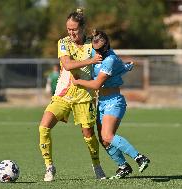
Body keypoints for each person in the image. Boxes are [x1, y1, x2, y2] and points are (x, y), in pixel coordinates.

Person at [38, 8, 106, 182]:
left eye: (74, 29)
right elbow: (67, 65)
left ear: (82, 28)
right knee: (43, 127)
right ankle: (49, 167)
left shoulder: (93, 43)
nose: (71, 32)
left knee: (89, 135)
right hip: (63, 94)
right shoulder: (63, 42)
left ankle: (96, 166)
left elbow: (107, 55)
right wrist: (91, 60)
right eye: (68, 29)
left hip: (85, 96)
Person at [72, 30, 150, 179]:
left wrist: (77, 82)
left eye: (100, 50)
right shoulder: (98, 53)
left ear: (106, 46)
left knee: (107, 135)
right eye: (95, 50)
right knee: (104, 140)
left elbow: (96, 84)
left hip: (114, 102)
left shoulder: (109, 60)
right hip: (101, 102)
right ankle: (123, 166)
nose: (98, 53)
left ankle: (139, 157)